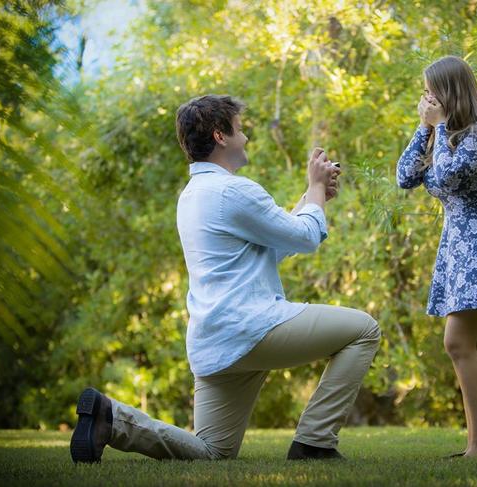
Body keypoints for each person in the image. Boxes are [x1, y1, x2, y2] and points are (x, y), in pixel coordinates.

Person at [70, 94, 380, 463]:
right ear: (220, 136)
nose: (246, 137)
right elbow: (305, 237)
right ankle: (314, 442)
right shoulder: (233, 189)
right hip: (251, 328)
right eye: (240, 129)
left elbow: (274, 245)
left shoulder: (193, 196)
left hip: (215, 343)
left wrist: (313, 198)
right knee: (364, 329)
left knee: (213, 451)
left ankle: (111, 419)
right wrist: (314, 189)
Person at [396, 56, 477, 456]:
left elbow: (450, 176)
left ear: (450, 90)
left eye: (430, 92)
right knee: (472, 343)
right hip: (459, 246)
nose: (426, 99)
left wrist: (436, 127)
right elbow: (405, 177)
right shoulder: (444, 133)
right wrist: (425, 128)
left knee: (457, 342)